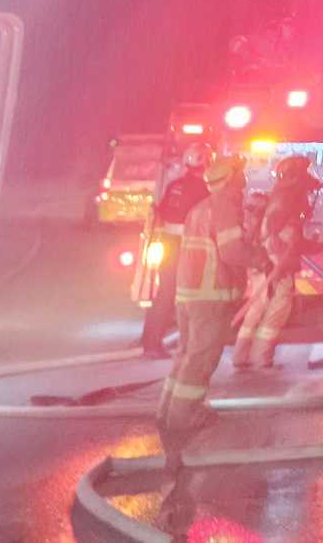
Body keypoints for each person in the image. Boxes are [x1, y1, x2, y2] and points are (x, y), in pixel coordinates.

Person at [156, 153, 250, 454]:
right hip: (211, 296)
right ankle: (184, 418)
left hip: (189, 295)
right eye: (241, 174)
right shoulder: (224, 206)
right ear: (231, 178)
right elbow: (232, 252)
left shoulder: (201, 207)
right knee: (201, 360)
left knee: (186, 355)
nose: (245, 179)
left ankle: (168, 411)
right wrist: (259, 257)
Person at [231, 156, 320, 369]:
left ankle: (241, 355)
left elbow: (286, 234)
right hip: (276, 261)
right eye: (303, 174)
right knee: (279, 307)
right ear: (295, 176)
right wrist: (278, 260)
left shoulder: (282, 195)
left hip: (269, 259)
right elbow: (277, 233)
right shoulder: (286, 198)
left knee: (258, 307)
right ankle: (260, 357)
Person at [139, 141, 212, 358]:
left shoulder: (174, 185)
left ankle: (150, 341)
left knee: (165, 293)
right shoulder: (203, 190)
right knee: (189, 294)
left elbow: (161, 212)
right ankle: (181, 343)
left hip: (168, 244)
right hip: (188, 247)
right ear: (207, 162)